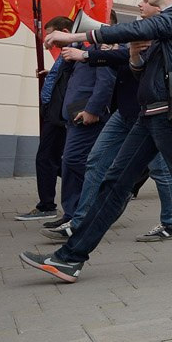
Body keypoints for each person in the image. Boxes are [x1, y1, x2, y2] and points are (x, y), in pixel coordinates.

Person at [20, 0, 172, 282]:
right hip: (149, 114)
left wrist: (75, 37)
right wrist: (136, 56)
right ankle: (69, 259)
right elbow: (139, 69)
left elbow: (136, 29)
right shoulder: (167, 27)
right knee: (114, 184)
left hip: (167, 115)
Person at [47, 0, 172, 242]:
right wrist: (101, 53)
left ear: (159, 7)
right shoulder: (134, 34)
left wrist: (89, 54)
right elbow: (121, 61)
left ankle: (171, 223)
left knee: (161, 172)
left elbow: (129, 60)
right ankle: (80, 221)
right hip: (126, 112)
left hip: (151, 113)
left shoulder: (157, 31)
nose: (142, 2)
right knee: (96, 161)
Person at [44, 13, 119, 234]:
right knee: (72, 163)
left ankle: (80, 213)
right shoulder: (86, 49)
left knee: (75, 162)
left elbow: (106, 81)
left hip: (86, 114)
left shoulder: (102, 48)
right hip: (75, 112)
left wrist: (93, 110)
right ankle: (72, 213)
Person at [16, 16, 73, 221]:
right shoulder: (66, 53)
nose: (49, 43)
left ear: (64, 32)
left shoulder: (72, 52)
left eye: (51, 37)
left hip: (58, 114)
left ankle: (47, 205)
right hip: (54, 112)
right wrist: (51, 74)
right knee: (56, 160)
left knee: (47, 159)